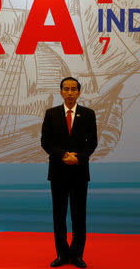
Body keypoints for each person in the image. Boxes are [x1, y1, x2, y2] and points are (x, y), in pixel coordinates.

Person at [41, 77, 98, 268]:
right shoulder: (51, 114)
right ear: (61, 92)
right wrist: (64, 155)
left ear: (79, 92)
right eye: (66, 89)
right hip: (58, 171)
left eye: (74, 89)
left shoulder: (88, 114)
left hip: (80, 172)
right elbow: (46, 142)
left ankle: (77, 254)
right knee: (59, 215)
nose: (70, 93)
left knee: (78, 215)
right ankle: (62, 254)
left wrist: (79, 157)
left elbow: (93, 143)